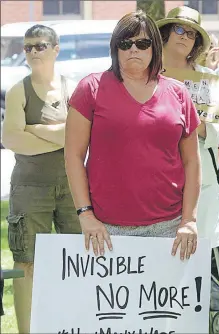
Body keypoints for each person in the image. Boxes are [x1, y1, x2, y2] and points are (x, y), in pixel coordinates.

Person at [65, 11, 201, 261]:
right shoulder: (90, 89)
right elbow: (73, 155)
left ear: (154, 48)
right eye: (125, 44)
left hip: (169, 229)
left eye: (143, 43)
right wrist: (85, 214)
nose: (133, 50)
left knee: (163, 301)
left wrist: (189, 220)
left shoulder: (179, 93)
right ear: (115, 49)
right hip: (105, 229)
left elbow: (192, 161)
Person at [1, 24, 81, 333]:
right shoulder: (18, 90)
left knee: (77, 262)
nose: (34, 51)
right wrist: (60, 135)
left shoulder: (71, 89)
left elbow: (78, 136)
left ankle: (72, 325)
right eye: (28, 47)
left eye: (40, 45)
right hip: (29, 188)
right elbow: (13, 140)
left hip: (71, 186)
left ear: (55, 49)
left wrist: (33, 129)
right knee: (26, 265)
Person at [157, 6, 219, 251]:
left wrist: (196, 122)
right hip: (155, 186)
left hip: (202, 185)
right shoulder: (145, 76)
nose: (185, 36)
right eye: (179, 29)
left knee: (197, 261)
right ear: (164, 33)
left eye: (192, 33)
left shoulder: (209, 79)